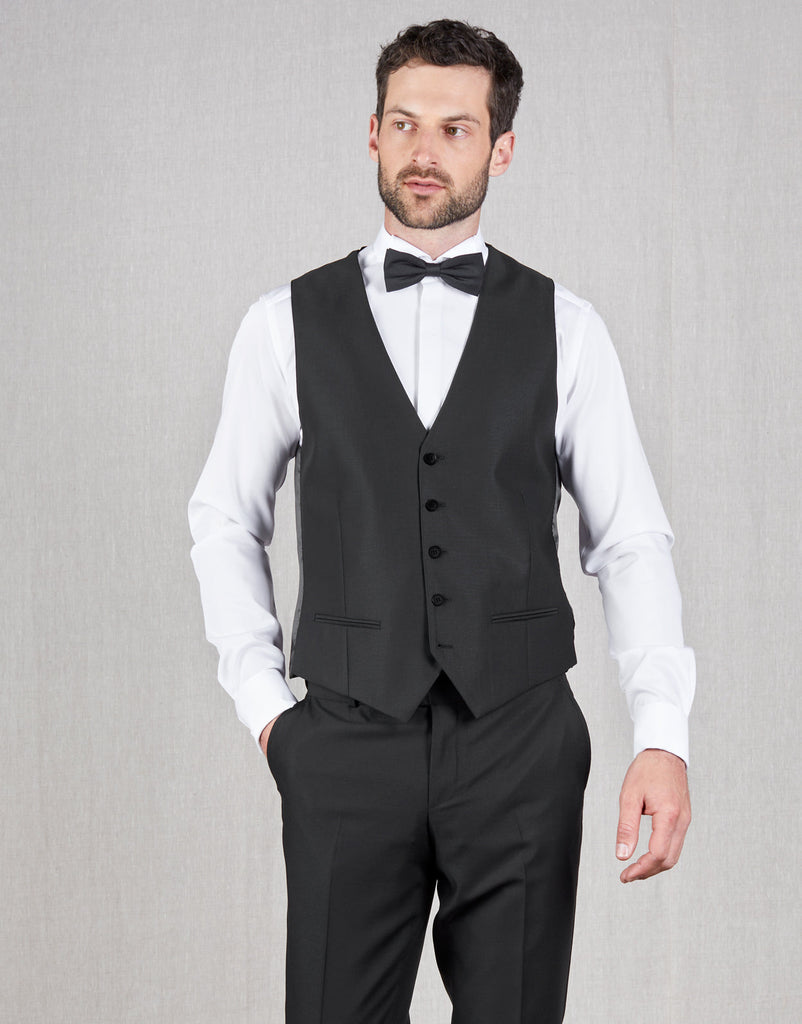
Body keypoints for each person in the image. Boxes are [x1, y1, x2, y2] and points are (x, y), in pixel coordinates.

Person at [188, 19, 695, 1024]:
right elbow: (223, 521)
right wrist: (268, 713)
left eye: (456, 129)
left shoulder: (568, 328)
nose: (425, 151)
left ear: (500, 149)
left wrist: (662, 734)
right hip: (344, 742)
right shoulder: (281, 324)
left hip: (519, 743)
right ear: (372, 133)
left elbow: (629, 538)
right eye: (405, 123)